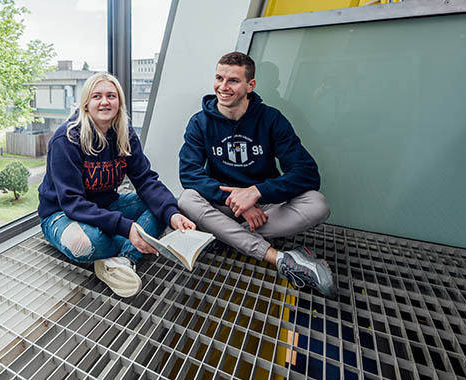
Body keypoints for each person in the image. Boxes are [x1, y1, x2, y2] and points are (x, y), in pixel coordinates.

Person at [178, 52, 337, 298]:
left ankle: (224, 234)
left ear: (250, 85)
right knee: (186, 199)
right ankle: (280, 257)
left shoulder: (271, 119)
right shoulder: (200, 123)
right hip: (224, 205)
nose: (223, 86)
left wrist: (256, 192)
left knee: (317, 204)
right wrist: (239, 203)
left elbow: (306, 173)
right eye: (219, 78)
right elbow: (190, 174)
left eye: (233, 80)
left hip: (265, 206)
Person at [38, 72, 196, 298]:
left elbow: (145, 179)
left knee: (160, 205)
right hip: (61, 213)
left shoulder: (124, 133)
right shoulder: (67, 139)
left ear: (119, 102)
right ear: (86, 103)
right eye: (97, 96)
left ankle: (122, 259)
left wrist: (171, 214)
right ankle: (131, 244)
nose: (104, 102)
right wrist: (127, 228)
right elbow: (72, 202)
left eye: (111, 96)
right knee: (86, 243)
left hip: (106, 206)